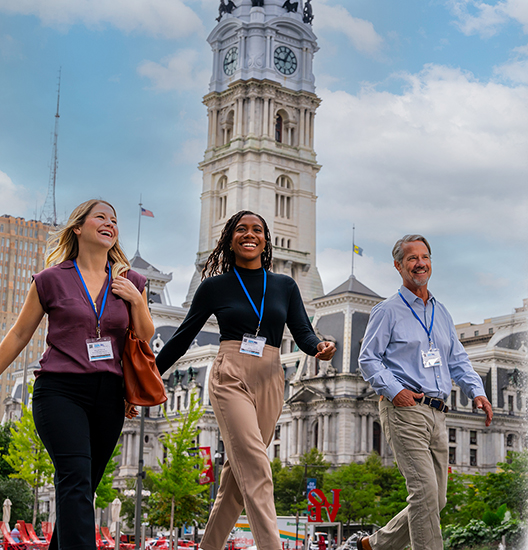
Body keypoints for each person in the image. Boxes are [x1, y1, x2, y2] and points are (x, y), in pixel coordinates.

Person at [156, 210, 336, 550]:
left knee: (236, 481)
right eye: (241, 229)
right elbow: (181, 338)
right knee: (256, 466)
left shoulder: (284, 285)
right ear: (230, 238)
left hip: (271, 376)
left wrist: (319, 349)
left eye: (256, 230)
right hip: (230, 373)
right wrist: (143, 378)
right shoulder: (214, 287)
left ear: (266, 240)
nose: (249, 234)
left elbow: (303, 333)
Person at [0, 199, 154, 550]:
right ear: (78, 227)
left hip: (110, 396)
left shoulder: (132, 280)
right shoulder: (51, 280)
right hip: (60, 391)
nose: (110, 224)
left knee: (82, 487)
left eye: (114, 220)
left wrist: (136, 300)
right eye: (101, 217)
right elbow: (20, 335)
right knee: (75, 482)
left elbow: (144, 335)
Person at [357, 235, 493, 550]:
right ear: (398, 266)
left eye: (425, 257)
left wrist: (477, 392)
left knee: (437, 498)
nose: (420, 263)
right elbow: (367, 359)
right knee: (424, 493)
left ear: (431, 262)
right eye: (412, 258)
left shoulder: (441, 312)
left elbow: (457, 359)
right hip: (405, 409)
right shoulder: (387, 310)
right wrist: (395, 392)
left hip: (438, 413)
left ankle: (373, 546)